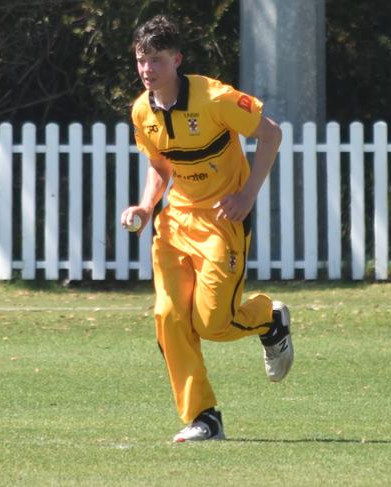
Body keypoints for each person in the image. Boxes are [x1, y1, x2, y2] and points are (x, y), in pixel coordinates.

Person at [121, 14, 294, 443]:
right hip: (175, 222)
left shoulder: (214, 97)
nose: (147, 70)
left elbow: (270, 135)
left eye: (157, 60)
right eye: (142, 61)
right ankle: (203, 417)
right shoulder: (142, 111)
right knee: (169, 317)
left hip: (222, 220)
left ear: (177, 60)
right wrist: (146, 206)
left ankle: (269, 320)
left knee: (213, 323)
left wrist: (247, 196)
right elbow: (160, 164)